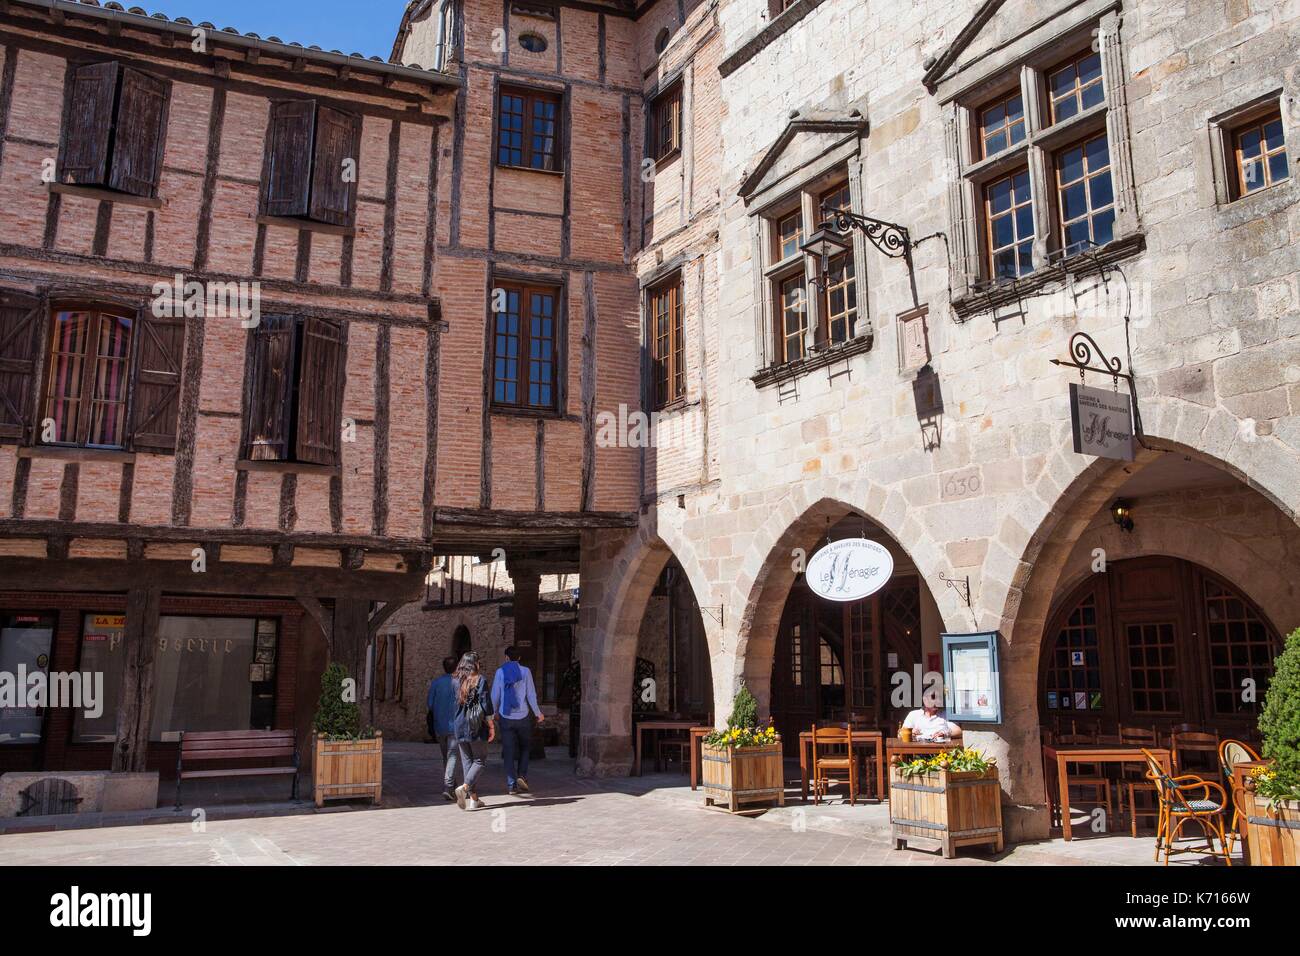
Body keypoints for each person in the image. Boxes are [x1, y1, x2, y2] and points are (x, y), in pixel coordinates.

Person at [490, 646, 545, 796]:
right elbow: (531, 694)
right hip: (523, 717)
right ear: (519, 658)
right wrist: (538, 713)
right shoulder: (526, 672)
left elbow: (495, 695)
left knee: (508, 751)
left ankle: (511, 785)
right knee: (525, 748)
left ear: (506, 657)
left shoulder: (500, 672)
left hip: (506, 717)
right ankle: (522, 776)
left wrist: (494, 712)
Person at [451, 652, 495, 811]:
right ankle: (464, 788)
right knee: (480, 760)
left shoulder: (455, 680)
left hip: (459, 725)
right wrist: (491, 725)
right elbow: (486, 704)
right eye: (478, 661)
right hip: (475, 725)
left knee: (467, 762)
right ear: (474, 664)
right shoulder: (480, 680)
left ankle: (474, 800)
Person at [427, 656, 460, 801]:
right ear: (457, 667)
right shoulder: (459, 683)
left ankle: (452, 783)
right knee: (452, 755)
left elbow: (430, 704)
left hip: (439, 725)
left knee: (446, 755)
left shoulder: (436, 683)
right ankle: (448, 786)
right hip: (455, 726)